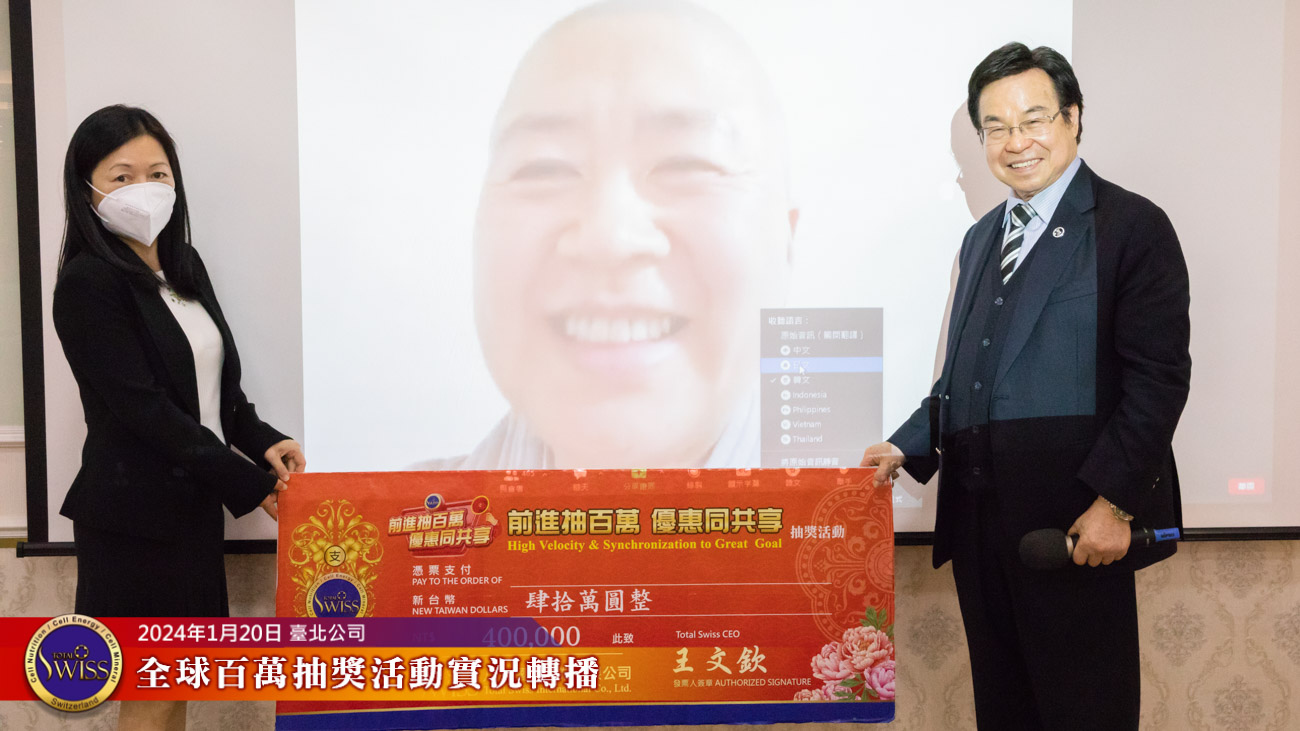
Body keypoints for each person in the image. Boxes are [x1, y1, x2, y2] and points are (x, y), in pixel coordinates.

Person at [861, 44, 1190, 730]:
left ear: (1073, 118)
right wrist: (904, 446)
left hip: (1071, 527)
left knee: (1084, 714)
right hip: (981, 527)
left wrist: (1115, 502)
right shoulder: (981, 238)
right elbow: (966, 375)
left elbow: (1157, 380)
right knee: (1004, 712)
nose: (1016, 142)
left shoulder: (1130, 226)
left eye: (1034, 119)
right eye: (997, 127)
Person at [431, 0, 796, 469]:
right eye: (543, 168)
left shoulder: (850, 511)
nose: (609, 236)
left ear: (787, 240)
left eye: (687, 164)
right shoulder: (384, 513)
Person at [53, 105, 305, 730]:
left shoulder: (183, 266)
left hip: (190, 511)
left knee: (178, 687)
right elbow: (145, 410)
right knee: (150, 693)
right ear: (87, 190)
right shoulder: (88, 283)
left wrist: (264, 441)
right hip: (133, 519)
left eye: (158, 173)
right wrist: (250, 484)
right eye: (121, 176)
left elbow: (217, 392)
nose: (144, 188)